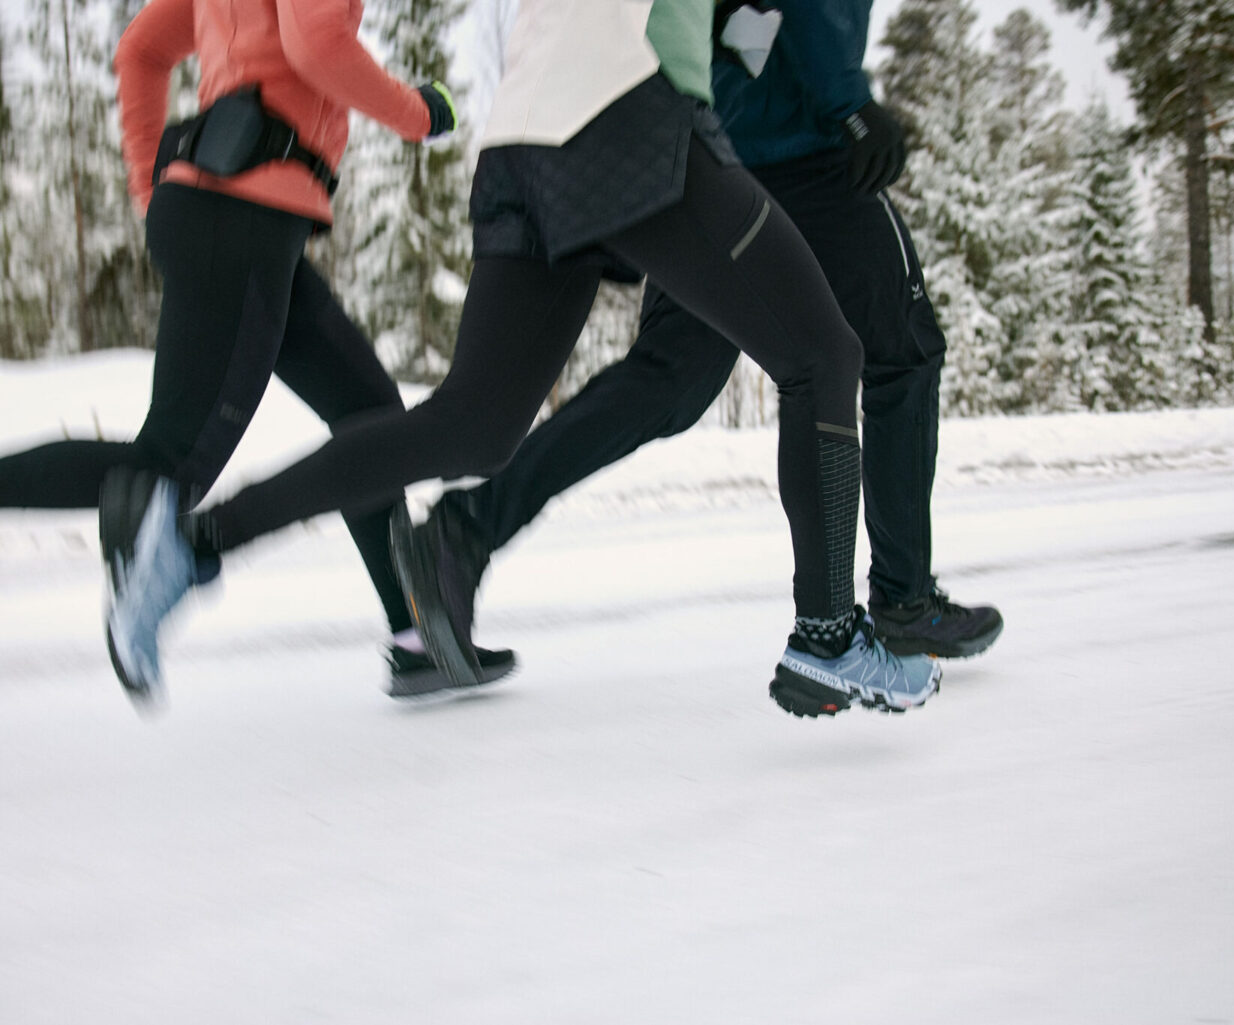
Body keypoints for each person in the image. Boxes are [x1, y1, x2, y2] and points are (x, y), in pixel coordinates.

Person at [100, 0, 942, 717]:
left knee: (472, 424)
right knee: (825, 354)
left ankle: (192, 542)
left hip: (520, 145)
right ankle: (829, 636)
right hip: (632, 110)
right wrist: (842, 96)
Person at [0, 0, 500, 699]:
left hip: (240, 215)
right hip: (243, 218)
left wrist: (150, 184)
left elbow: (141, 48)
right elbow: (317, 43)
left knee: (368, 415)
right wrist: (419, 112)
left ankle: (415, 635)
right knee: (169, 468)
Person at [411, 0, 1003, 702]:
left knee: (671, 377)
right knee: (898, 350)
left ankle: (468, 529)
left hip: (707, 151)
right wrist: (848, 102)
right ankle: (893, 603)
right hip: (801, 149)